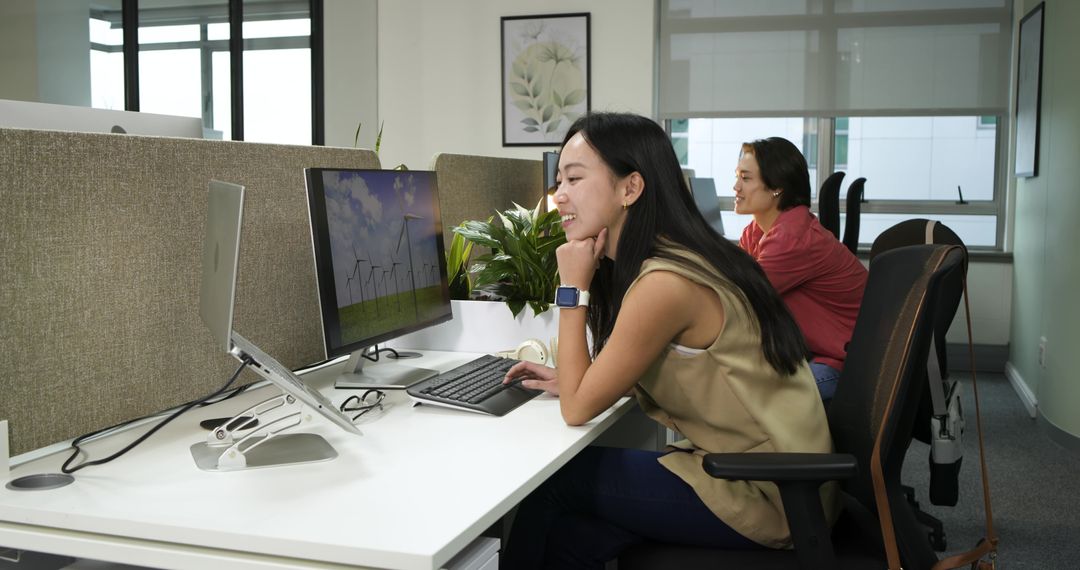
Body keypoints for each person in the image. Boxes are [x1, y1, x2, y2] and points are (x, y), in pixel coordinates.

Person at [499, 112, 835, 570]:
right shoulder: (678, 257)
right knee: (571, 536)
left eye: (574, 178)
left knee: (554, 483)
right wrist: (577, 379)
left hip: (770, 496)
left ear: (630, 189)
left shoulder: (665, 283)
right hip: (773, 480)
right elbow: (604, 381)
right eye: (560, 180)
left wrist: (573, 288)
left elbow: (577, 410)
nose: (559, 196)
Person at [733, 138, 868, 401]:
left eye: (746, 178)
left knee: (746, 400)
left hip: (843, 365)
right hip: (809, 353)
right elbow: (730, 278)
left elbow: (735, 298)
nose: (735, 187)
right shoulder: (756, 231)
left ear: (776, 188)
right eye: (737, 176)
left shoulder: (791, 238)